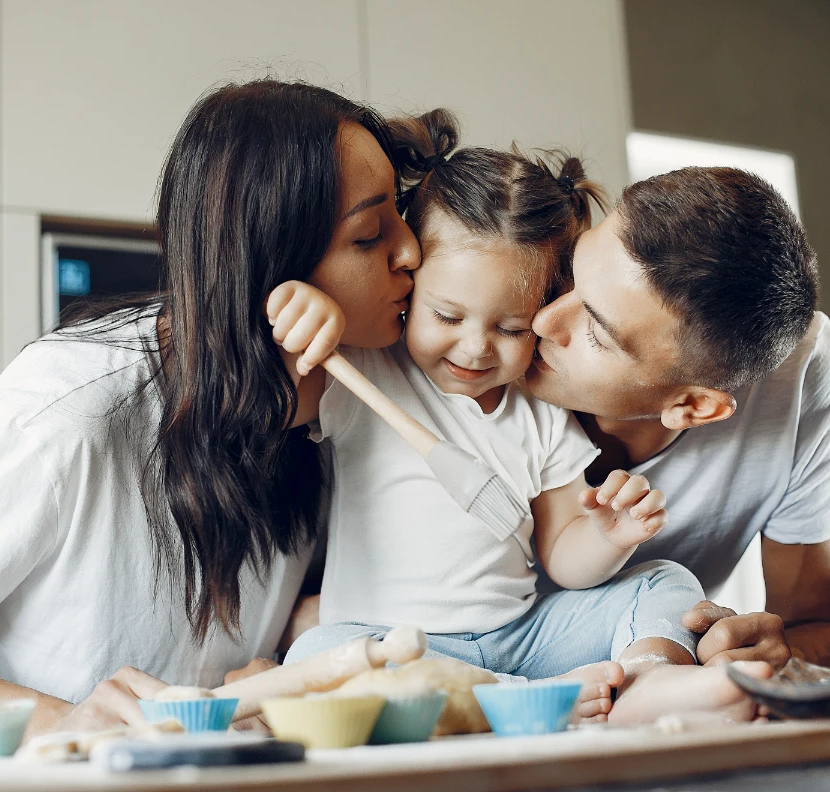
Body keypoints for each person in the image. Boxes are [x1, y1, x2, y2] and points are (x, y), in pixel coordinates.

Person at [0, 79, 421, 760]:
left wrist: (280, 655)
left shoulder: (344, 401)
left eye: (400, 217)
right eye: (370, 235)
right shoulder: (77, 406)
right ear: (269, 264)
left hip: (105, 765)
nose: (410, 253)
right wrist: (58, 723)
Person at [270, 111, 768, 725]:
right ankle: (514, 700)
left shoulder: (541, 410)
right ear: (408, 284)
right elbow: (272, 402)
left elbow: (561, 553)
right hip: (390, 643)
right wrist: (298, 314)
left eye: (510, 327)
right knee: (315, 655)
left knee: (663, 580)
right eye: (447, 317)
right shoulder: (365, 371)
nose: (477, 349)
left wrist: (608, 537)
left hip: (523, 637)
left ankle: (646, 682)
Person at [525, 167, 830, 694]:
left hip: (649, 694)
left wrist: (779, 654)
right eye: (574, 273)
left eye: (596, 333)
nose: (542, 321)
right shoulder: (478, 335)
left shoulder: (805, 377)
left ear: (693, 406)